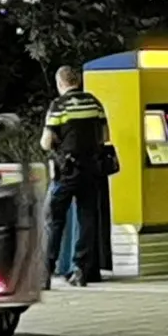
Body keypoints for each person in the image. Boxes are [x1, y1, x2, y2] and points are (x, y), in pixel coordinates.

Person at [42, 65, 112, 286]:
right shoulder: (94, 102)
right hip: (91, 169)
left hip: (67, 170)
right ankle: (81, 270)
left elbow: (46, 142)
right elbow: (105, 135)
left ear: (60, 83)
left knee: (54, 219)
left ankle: (46, 271)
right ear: (78, 81)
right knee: (87, 218)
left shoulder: (58, 106)